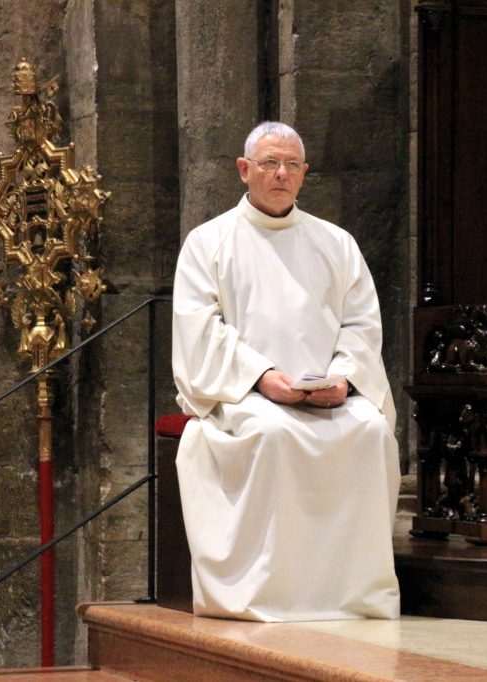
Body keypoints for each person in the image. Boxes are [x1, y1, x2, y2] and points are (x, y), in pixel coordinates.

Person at [171, 121, 401, 622]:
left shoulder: (336, 243)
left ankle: (351, 593)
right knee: (272, 434)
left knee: (370, 431)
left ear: (304, 173)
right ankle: (272, 594)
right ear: (244, 170)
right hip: (245, 394)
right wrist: (262, 376)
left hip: (327, 393)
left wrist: (344, 378)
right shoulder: (208, 243)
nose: (281, 174)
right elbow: (200, 328)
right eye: (270, 163)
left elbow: (361, 325)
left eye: (292, 165)